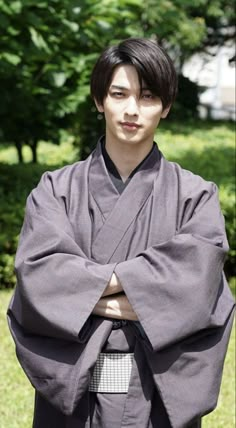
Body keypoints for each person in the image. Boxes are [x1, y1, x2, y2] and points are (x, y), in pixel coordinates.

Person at [7, 38, 235, 428]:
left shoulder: (195, 197)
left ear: (165, 106)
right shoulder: (54, 191)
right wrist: (146, 293)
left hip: (155, 392)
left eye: (147, 96)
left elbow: (195, 292)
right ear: (100, 100)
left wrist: (84, 292)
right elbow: (40, 279)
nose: (132, 109)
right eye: (119, 93)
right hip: (71, 394)